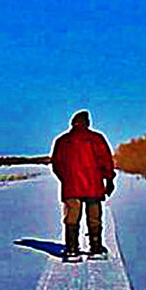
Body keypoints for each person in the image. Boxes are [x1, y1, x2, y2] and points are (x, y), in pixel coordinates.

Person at [50, 110, 116, 262]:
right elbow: (106, 161)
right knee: (94, 217)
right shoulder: (96, 139)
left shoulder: (62, 141)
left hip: (71, 187)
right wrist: (109, 179)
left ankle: (72, 250)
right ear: (87, 122)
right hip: (94, 186)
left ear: (72, 123)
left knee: (71, 218)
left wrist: (66, 179)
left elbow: (56, 165)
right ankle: (96, 248)